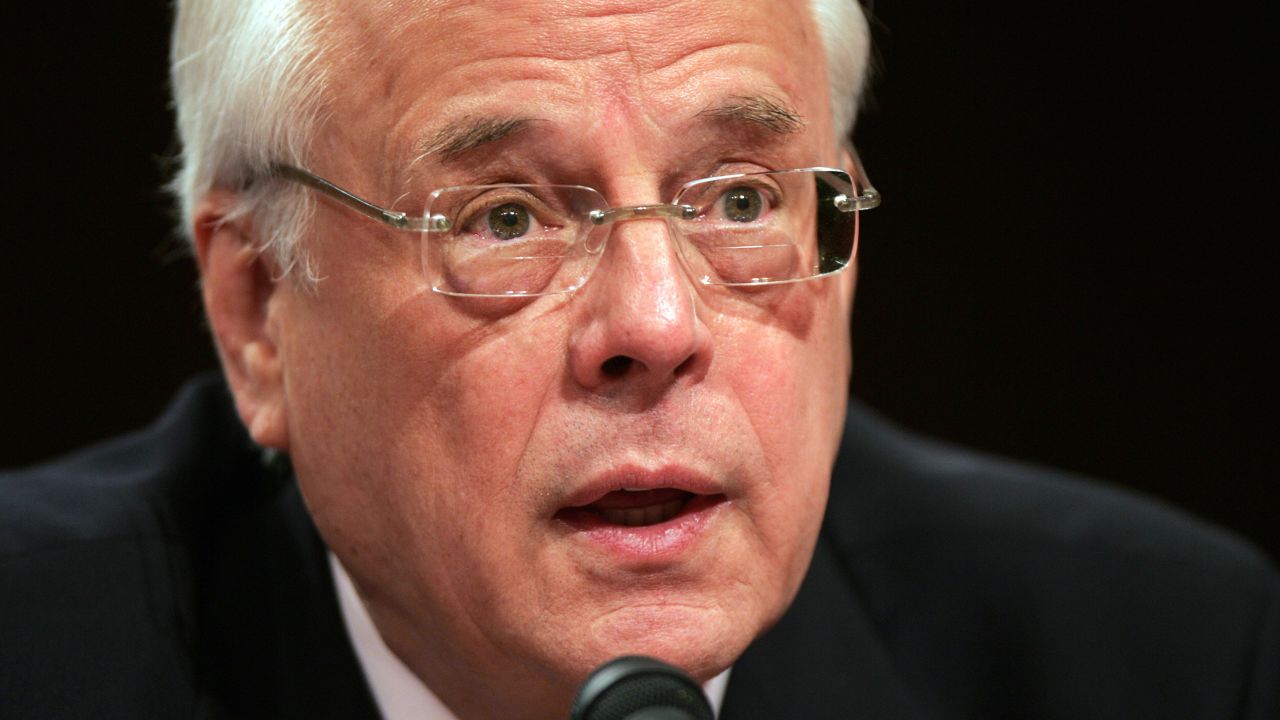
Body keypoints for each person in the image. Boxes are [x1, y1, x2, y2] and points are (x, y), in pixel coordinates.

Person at [1, 1, 1275, 719]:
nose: (657, 327)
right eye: (504, 219)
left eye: (735, 201)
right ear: (258, 310)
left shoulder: (1162, 663)